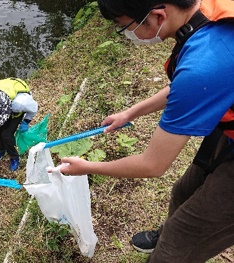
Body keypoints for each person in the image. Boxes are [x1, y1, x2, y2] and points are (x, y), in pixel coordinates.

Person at [55, 0, 234, 261]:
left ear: (158, 15)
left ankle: (169, 249)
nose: (129, 35)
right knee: (184, 191)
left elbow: (152, 165)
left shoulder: (205, 65)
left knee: (179, 239)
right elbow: (193, 86)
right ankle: (164, 238)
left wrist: (87, 166)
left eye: (125, 26)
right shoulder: (204, 12)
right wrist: (130, 113)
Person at [0, 77, 38, 171]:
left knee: (6, 135)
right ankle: (1, 150)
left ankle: (14, 157)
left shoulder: (19, 104)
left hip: (15, 105)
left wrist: (26, 121)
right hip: (3, 102)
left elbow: (33, 108)